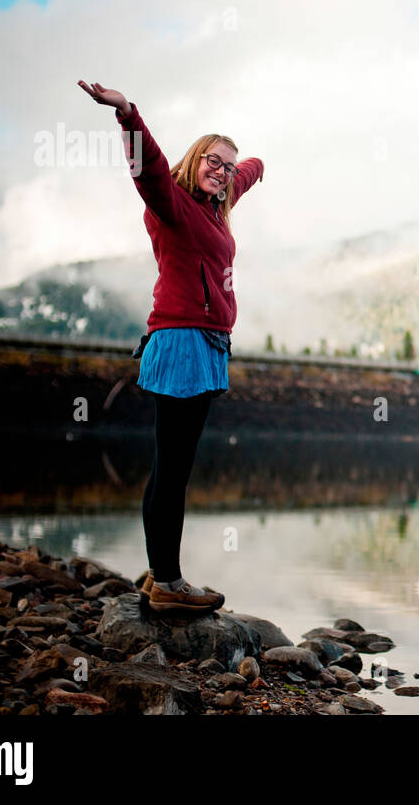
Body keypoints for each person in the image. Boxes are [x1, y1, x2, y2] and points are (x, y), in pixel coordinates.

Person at [77, 79, 265, 613]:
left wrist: (255, 165)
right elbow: (150, 170)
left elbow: (246, 173)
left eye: (228, 166)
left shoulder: (216, 205)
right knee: (174, 470)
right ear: (194, 159)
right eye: (213, 160)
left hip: (205, 346)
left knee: (167, 467)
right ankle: (169, 582)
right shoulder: (175, 204)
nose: (223, 171)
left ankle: (159, 571)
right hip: (181, 343)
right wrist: (127, 114)